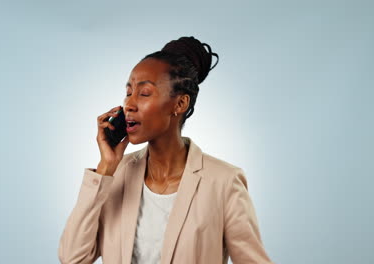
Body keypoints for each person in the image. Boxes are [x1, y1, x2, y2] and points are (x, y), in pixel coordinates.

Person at [58, 36, 274, 264]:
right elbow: (73, 258)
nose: (129, 104)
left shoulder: (224, 182)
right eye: (129, 92)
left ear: (180, 104)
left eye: (144, 93)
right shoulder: (115, 175)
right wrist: (104, 169)